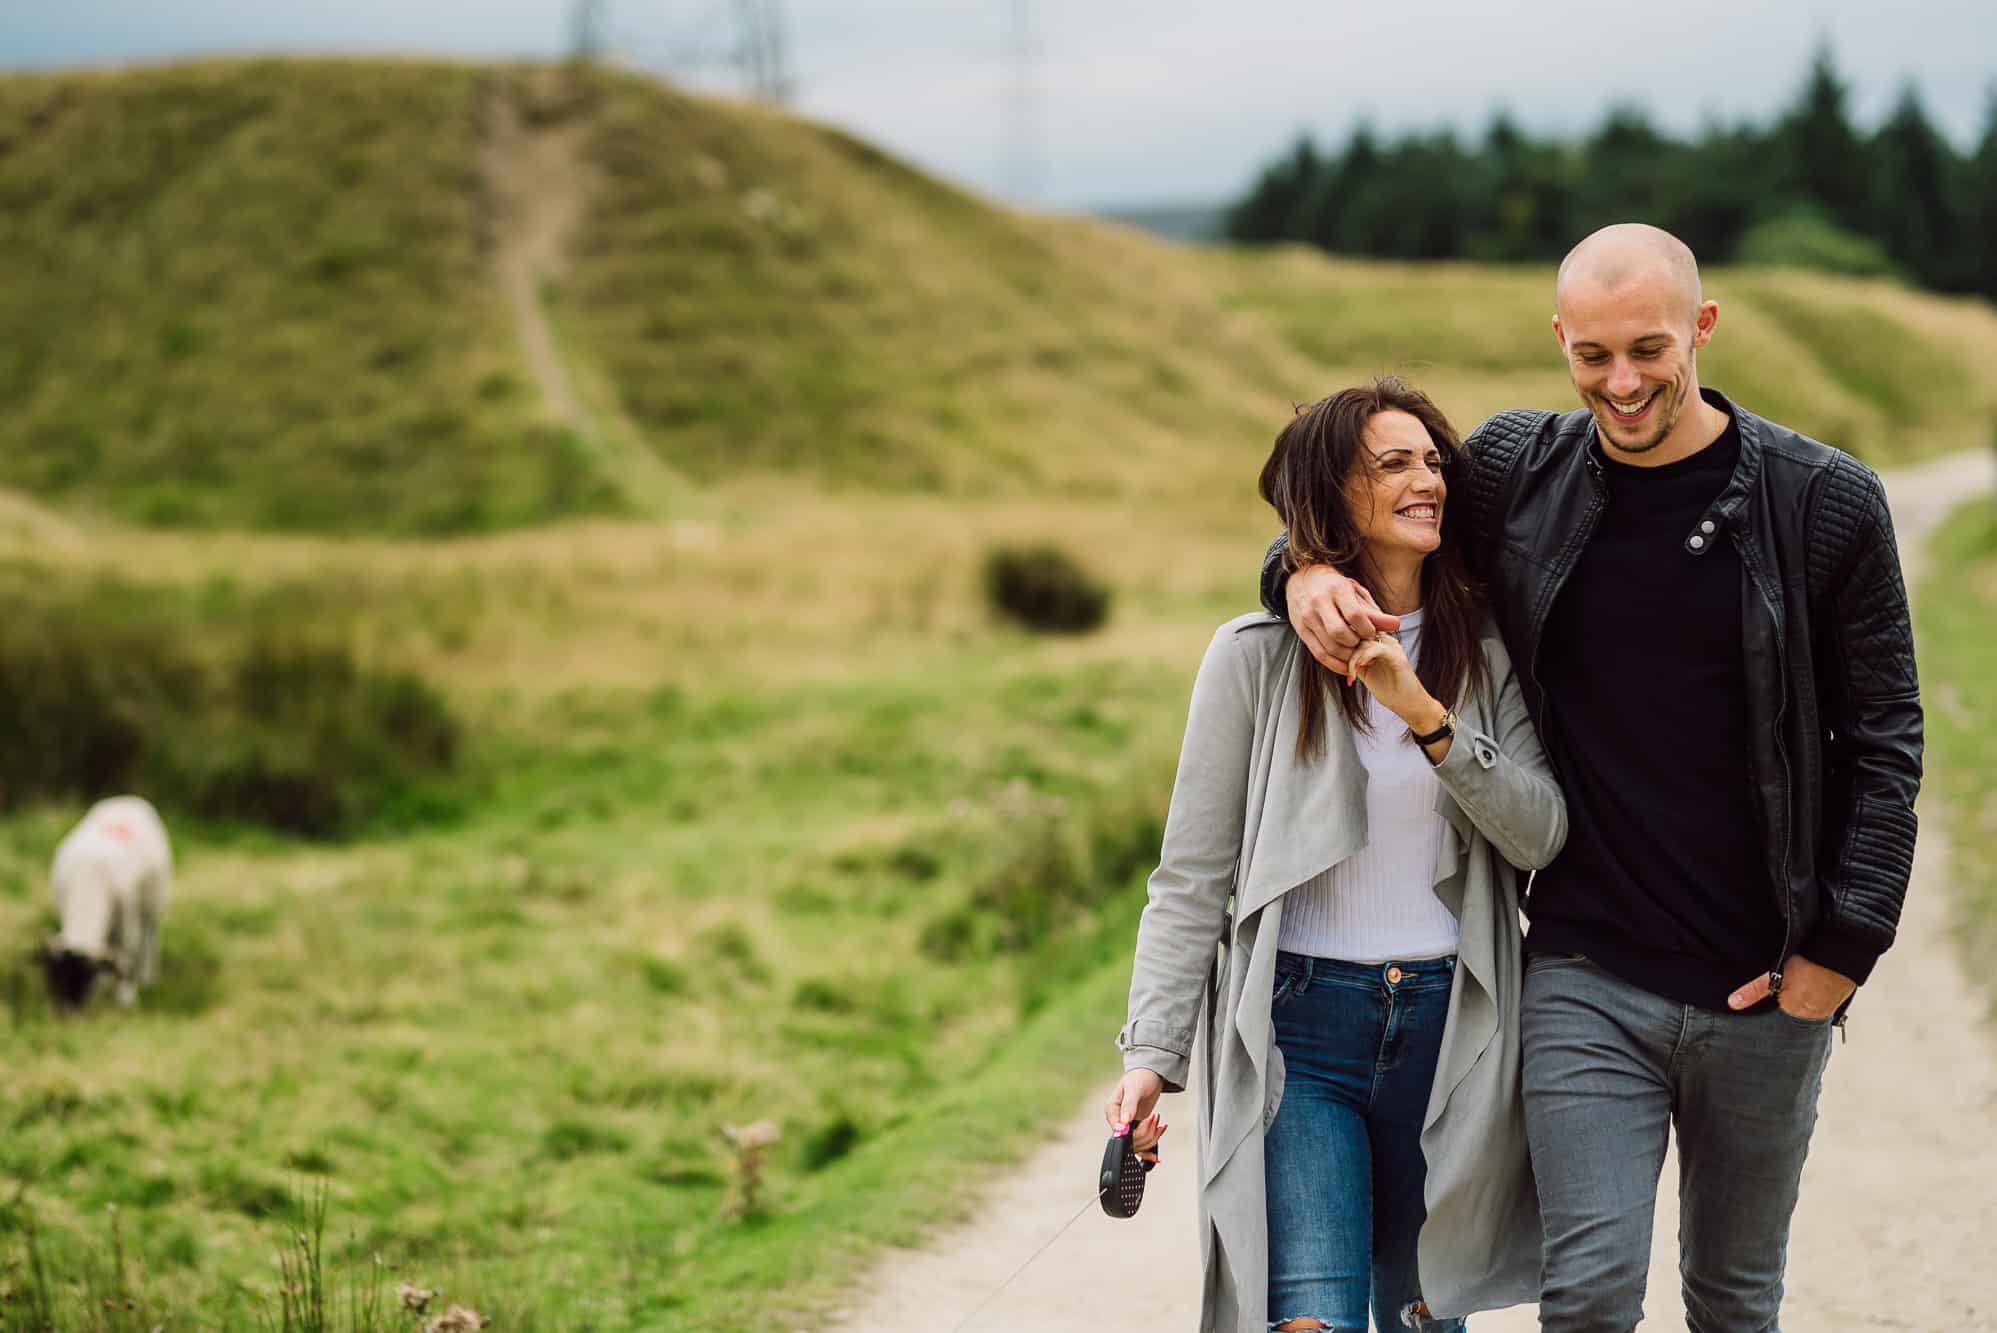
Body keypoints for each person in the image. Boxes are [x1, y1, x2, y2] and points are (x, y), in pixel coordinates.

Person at [1260, 224, 1923, 1331]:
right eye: (1593, 355)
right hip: (1583, 970)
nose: (1621, 383)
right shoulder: (1521, 470)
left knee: (1731, 1297)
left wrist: (1841, 949)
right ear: (1560, 341)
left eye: (1648, 350)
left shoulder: (1824, 503)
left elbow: (1886, 736)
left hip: (1766, 984)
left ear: (1700, 330)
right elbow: (1377, 519)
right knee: (1587, 1293)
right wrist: (1299, 571)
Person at [1111, 377, 1567, 1332]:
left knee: (1420, 1313)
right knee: (1308, 1314)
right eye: (1393, 463)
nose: (1427, 480)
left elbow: (1539, 831)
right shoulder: (1250, 657)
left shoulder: (1480, 653)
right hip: (1297, 1033)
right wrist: (1151, 1053)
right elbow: (1191, 878)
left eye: (1433, 461)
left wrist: (1423, 714)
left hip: (1452, 1027)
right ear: (1332, 495)